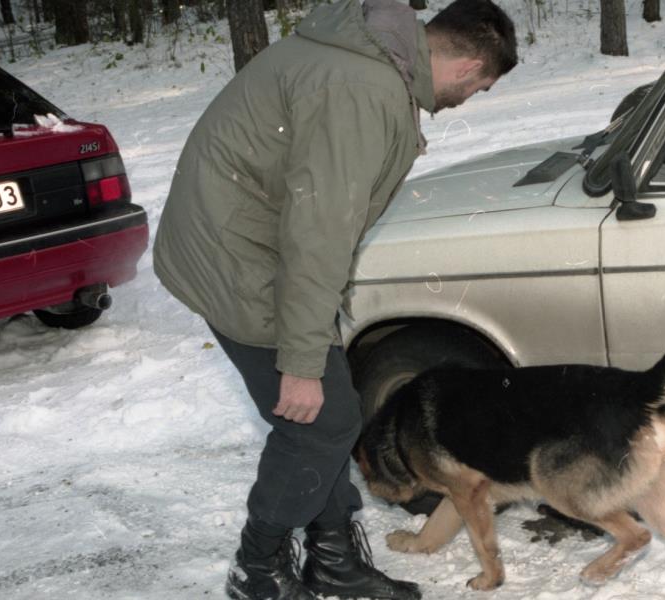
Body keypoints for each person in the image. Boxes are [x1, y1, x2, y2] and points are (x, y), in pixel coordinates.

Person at [152, 0, 517, 598]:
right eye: (479, 87)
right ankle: (257, 570)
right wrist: (301, 361)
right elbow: (318, 231)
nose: (470, 97)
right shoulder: (363, 90)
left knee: (331, 415)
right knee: (320, 423)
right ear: (469, 65)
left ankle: (332, 559)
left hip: (239, 241)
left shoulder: (366, 58)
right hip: (238, 260)